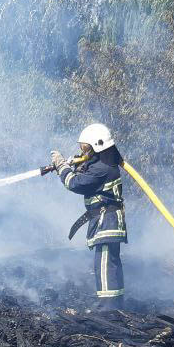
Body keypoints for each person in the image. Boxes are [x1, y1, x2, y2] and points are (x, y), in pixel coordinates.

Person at [50, 123, 127, 310]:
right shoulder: (104, 165)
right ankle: (112, 305)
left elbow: (75, 184)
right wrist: (73, 164)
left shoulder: (102, 168)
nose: (83, 151)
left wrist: (62, 167)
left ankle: (109, 308)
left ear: (98, 146)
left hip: (106, 222)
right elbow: (87, 173)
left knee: (105, 264)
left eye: (86, 148)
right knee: (108, 262)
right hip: (105, 221)